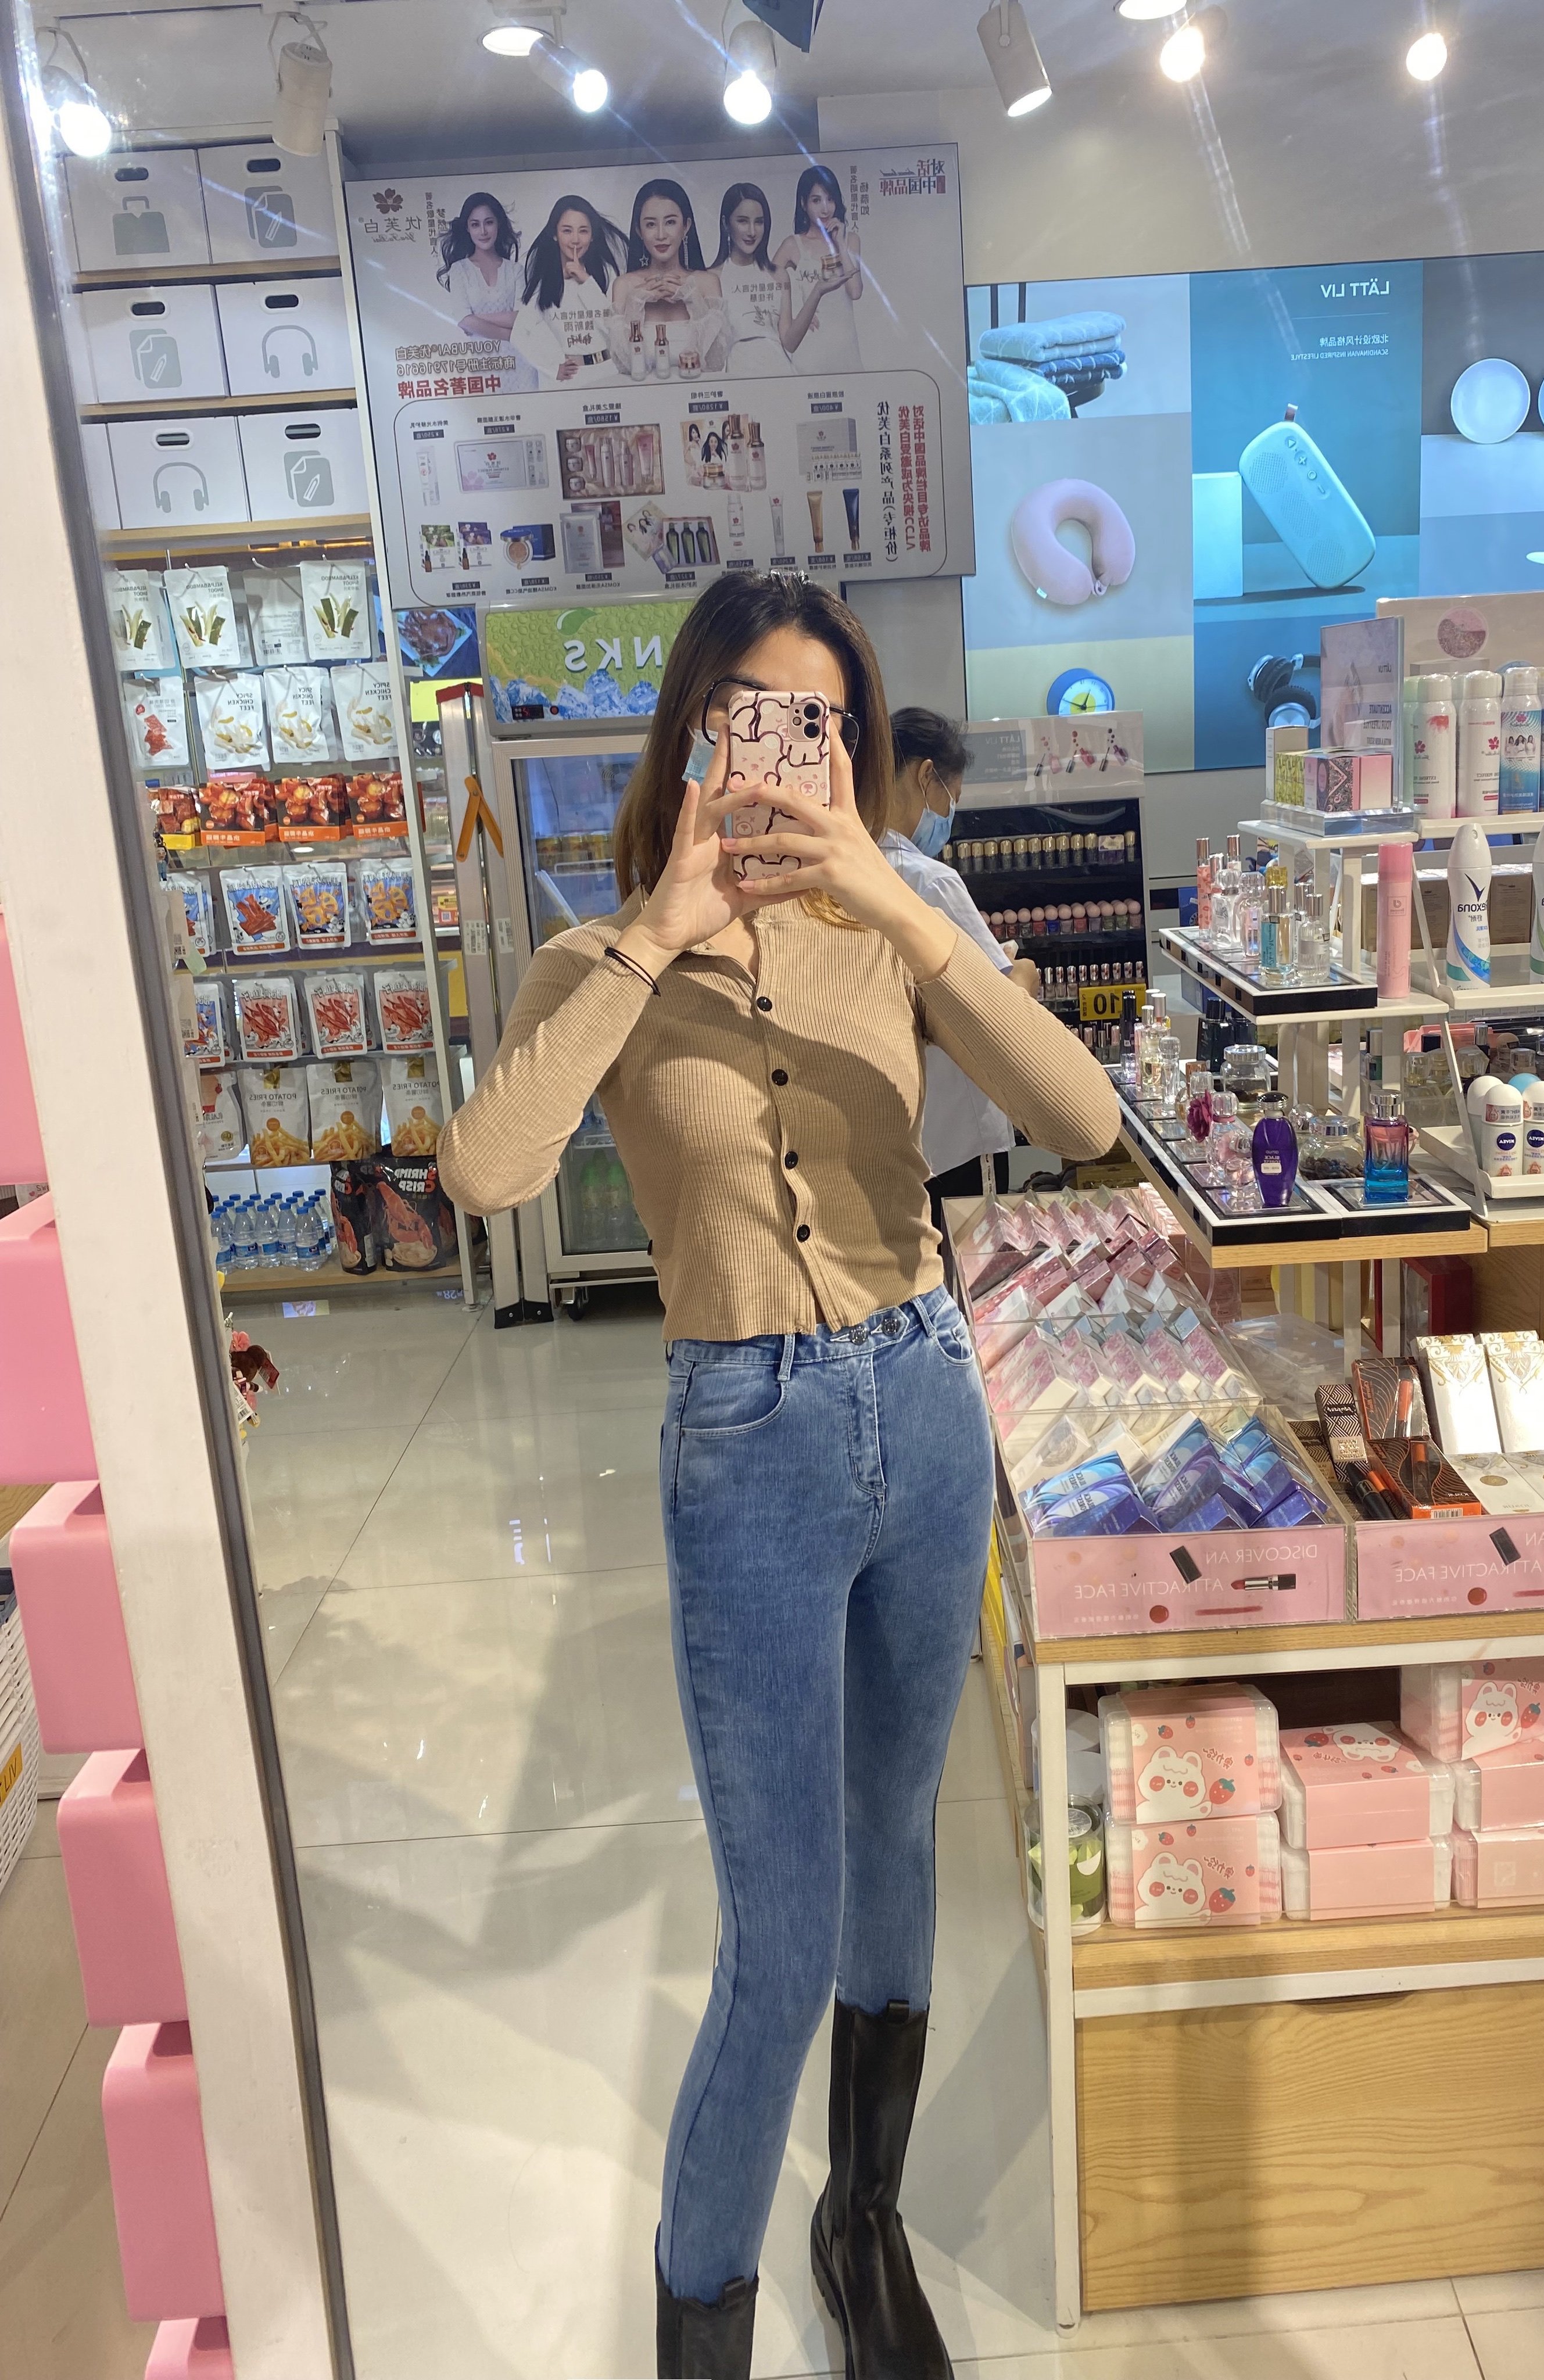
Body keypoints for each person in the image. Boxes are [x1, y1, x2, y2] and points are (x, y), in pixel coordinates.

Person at [436, 576, 1117, 2380]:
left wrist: (887, 893)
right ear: (690, 730)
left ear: (853, 747)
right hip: (745, 1442)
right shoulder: (597, 961)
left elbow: (1080, 1120)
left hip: (928, 1405)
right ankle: (702, 2333)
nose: (784, 754)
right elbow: (486, 1172)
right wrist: (666, 921)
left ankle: (860, 2223)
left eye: (822, 724)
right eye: (752, 713)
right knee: (778, 1935)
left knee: (899, 1850)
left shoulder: (896, 924)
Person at [882, 708, 1041, 1227]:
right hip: (957, 1135)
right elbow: (1003, 1010)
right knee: (969, 1257)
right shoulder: (929, 881)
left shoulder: (846, 871)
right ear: (926, 776)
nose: (948, 817)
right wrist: (1023, 971)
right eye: (951, 799)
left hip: (889, 1132)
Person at [611, 178, 729, 378]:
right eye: (651, 224)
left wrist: (694, 301)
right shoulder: (625, 286)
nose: (661, 234)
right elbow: (625, 367)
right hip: (645, 396)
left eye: (670, 222)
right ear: (639, 231)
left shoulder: (707, 283)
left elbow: (715, 363)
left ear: (686, 226)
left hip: (695, 394)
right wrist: (635, 305)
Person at [510, 193, 626, 386]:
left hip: (609, 372)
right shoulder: (546, 283)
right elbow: (519, 334)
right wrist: (552, 369)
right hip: (569, 381)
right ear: (555, 234)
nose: (575, 240)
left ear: (593, 236)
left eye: (583, 231)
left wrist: (586, 281)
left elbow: (614, 329)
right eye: (567, 231)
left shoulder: (607, 273)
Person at [776, 165, 862, 374]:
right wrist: (794, 317)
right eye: (816, 201)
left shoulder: (850, 240)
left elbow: (855, 292)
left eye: (830, 199)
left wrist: (840, 244)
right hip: (810, 351)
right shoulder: (793, 244)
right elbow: (767, 284)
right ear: (803, 203)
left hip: (846, 350)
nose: (825, 209)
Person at [710, 181, 790, 378]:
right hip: (738, 374)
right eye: (743, 221)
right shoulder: (711, 279)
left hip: (781, 372)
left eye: (759, 222)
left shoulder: (778, 275)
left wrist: (816, 293)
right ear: (726, 224)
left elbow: (789, 341)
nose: (752, 232)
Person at [436, 189, 521, 344]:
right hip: (478, 358)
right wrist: (511, 336)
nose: (483, 231)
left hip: (518, 357)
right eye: (475, 225)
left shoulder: (516, 271)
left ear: (498, 224)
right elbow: (464, 321)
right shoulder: (459, 270)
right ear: (467, 228)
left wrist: (474, 319)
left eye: (489, 223)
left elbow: (521, 319)